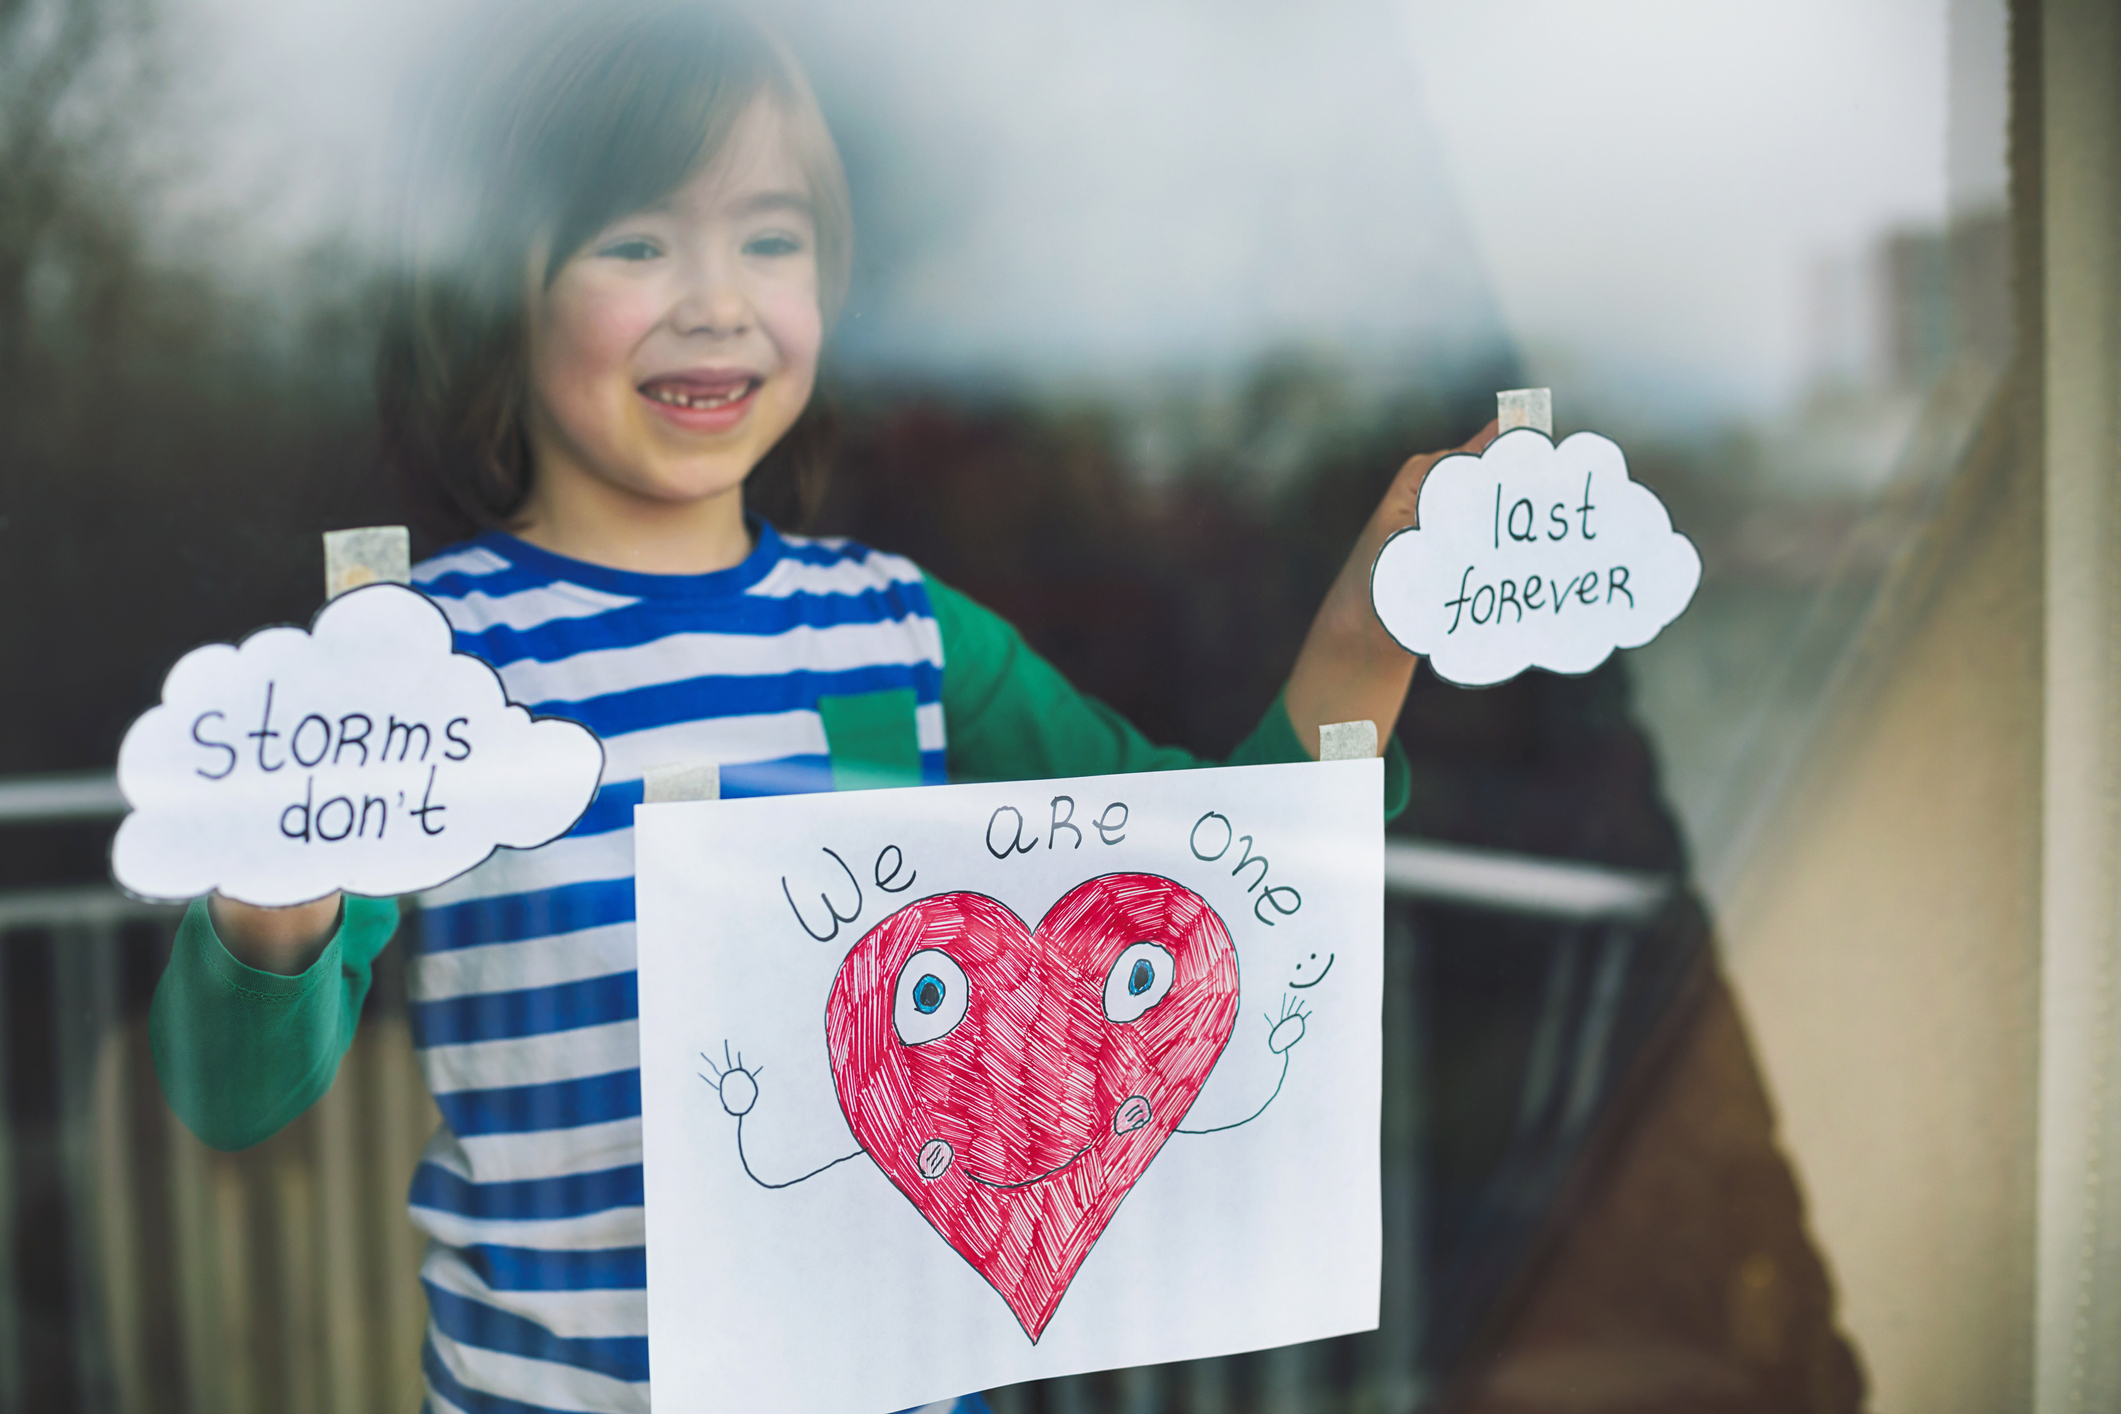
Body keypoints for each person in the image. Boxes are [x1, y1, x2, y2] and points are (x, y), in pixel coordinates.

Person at [148, 2, 1493, 1409]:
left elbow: (1214, 875)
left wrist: (1365, 640)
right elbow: (231, 1094)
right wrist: (273, 889)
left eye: (769, 238)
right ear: (500, 282)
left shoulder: (904, 632)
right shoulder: (418, 667)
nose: (716, 296)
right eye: (636, 239)